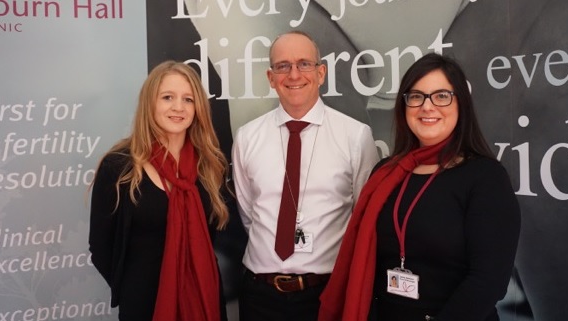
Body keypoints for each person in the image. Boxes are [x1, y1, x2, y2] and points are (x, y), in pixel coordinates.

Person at [318, 53, 521, 321]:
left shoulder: (486, 178)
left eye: (441, 96)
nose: (427, 107)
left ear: (461, 104)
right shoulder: (385, 172)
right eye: (416, 96)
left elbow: (488, 282)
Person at [231, 30, 380, 321]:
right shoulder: (248, 137)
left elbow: (364, 218)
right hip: (260, 296)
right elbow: (249, 213)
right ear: (271, 78)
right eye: (283, 65)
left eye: (304, 64)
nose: (294, 74)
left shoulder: (355, 136)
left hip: (326, 294)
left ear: (321, 73)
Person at [89, 61, 232, 321]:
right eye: (168, 97)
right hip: (145, 307)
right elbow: (100, 247)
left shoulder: (209, 166)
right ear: (149, 104)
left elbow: (209, 240)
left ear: (197, 108)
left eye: (188, 99)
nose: (178, 107)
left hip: (204, 301)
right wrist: (136, 286)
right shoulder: (119, 167)